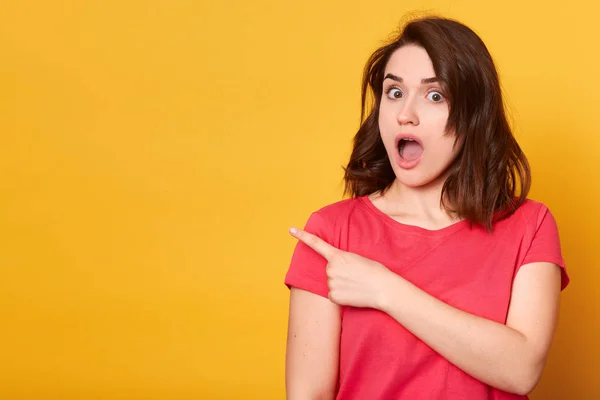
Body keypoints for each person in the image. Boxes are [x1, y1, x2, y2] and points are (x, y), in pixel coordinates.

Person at [283, 16, 569, 400]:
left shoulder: (529, 225)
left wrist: (385, 289)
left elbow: (521, 369)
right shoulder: (332, 233)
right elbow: (308, 395)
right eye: (394, 92)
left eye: (435, 96)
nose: (406, 114)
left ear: (473, 116)